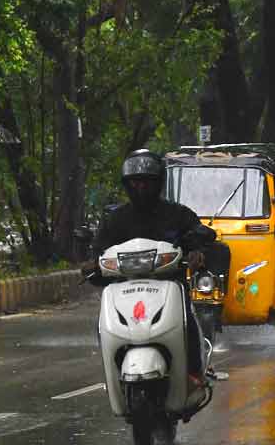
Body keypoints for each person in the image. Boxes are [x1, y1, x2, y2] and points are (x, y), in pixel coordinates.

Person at [85, 150, 221, 385]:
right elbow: (98, 252)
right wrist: (91, 264)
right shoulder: (114, 219)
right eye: (135, 182)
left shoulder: (178, 214)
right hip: (124, 288)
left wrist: (197, 251)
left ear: (158, 183)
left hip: (169, 285)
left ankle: (194, 372)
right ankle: (113, 373)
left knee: (187, 321)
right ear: (127, 185)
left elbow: (200, 235)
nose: (141, 188)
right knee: (102, 324)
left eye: (147, 182)